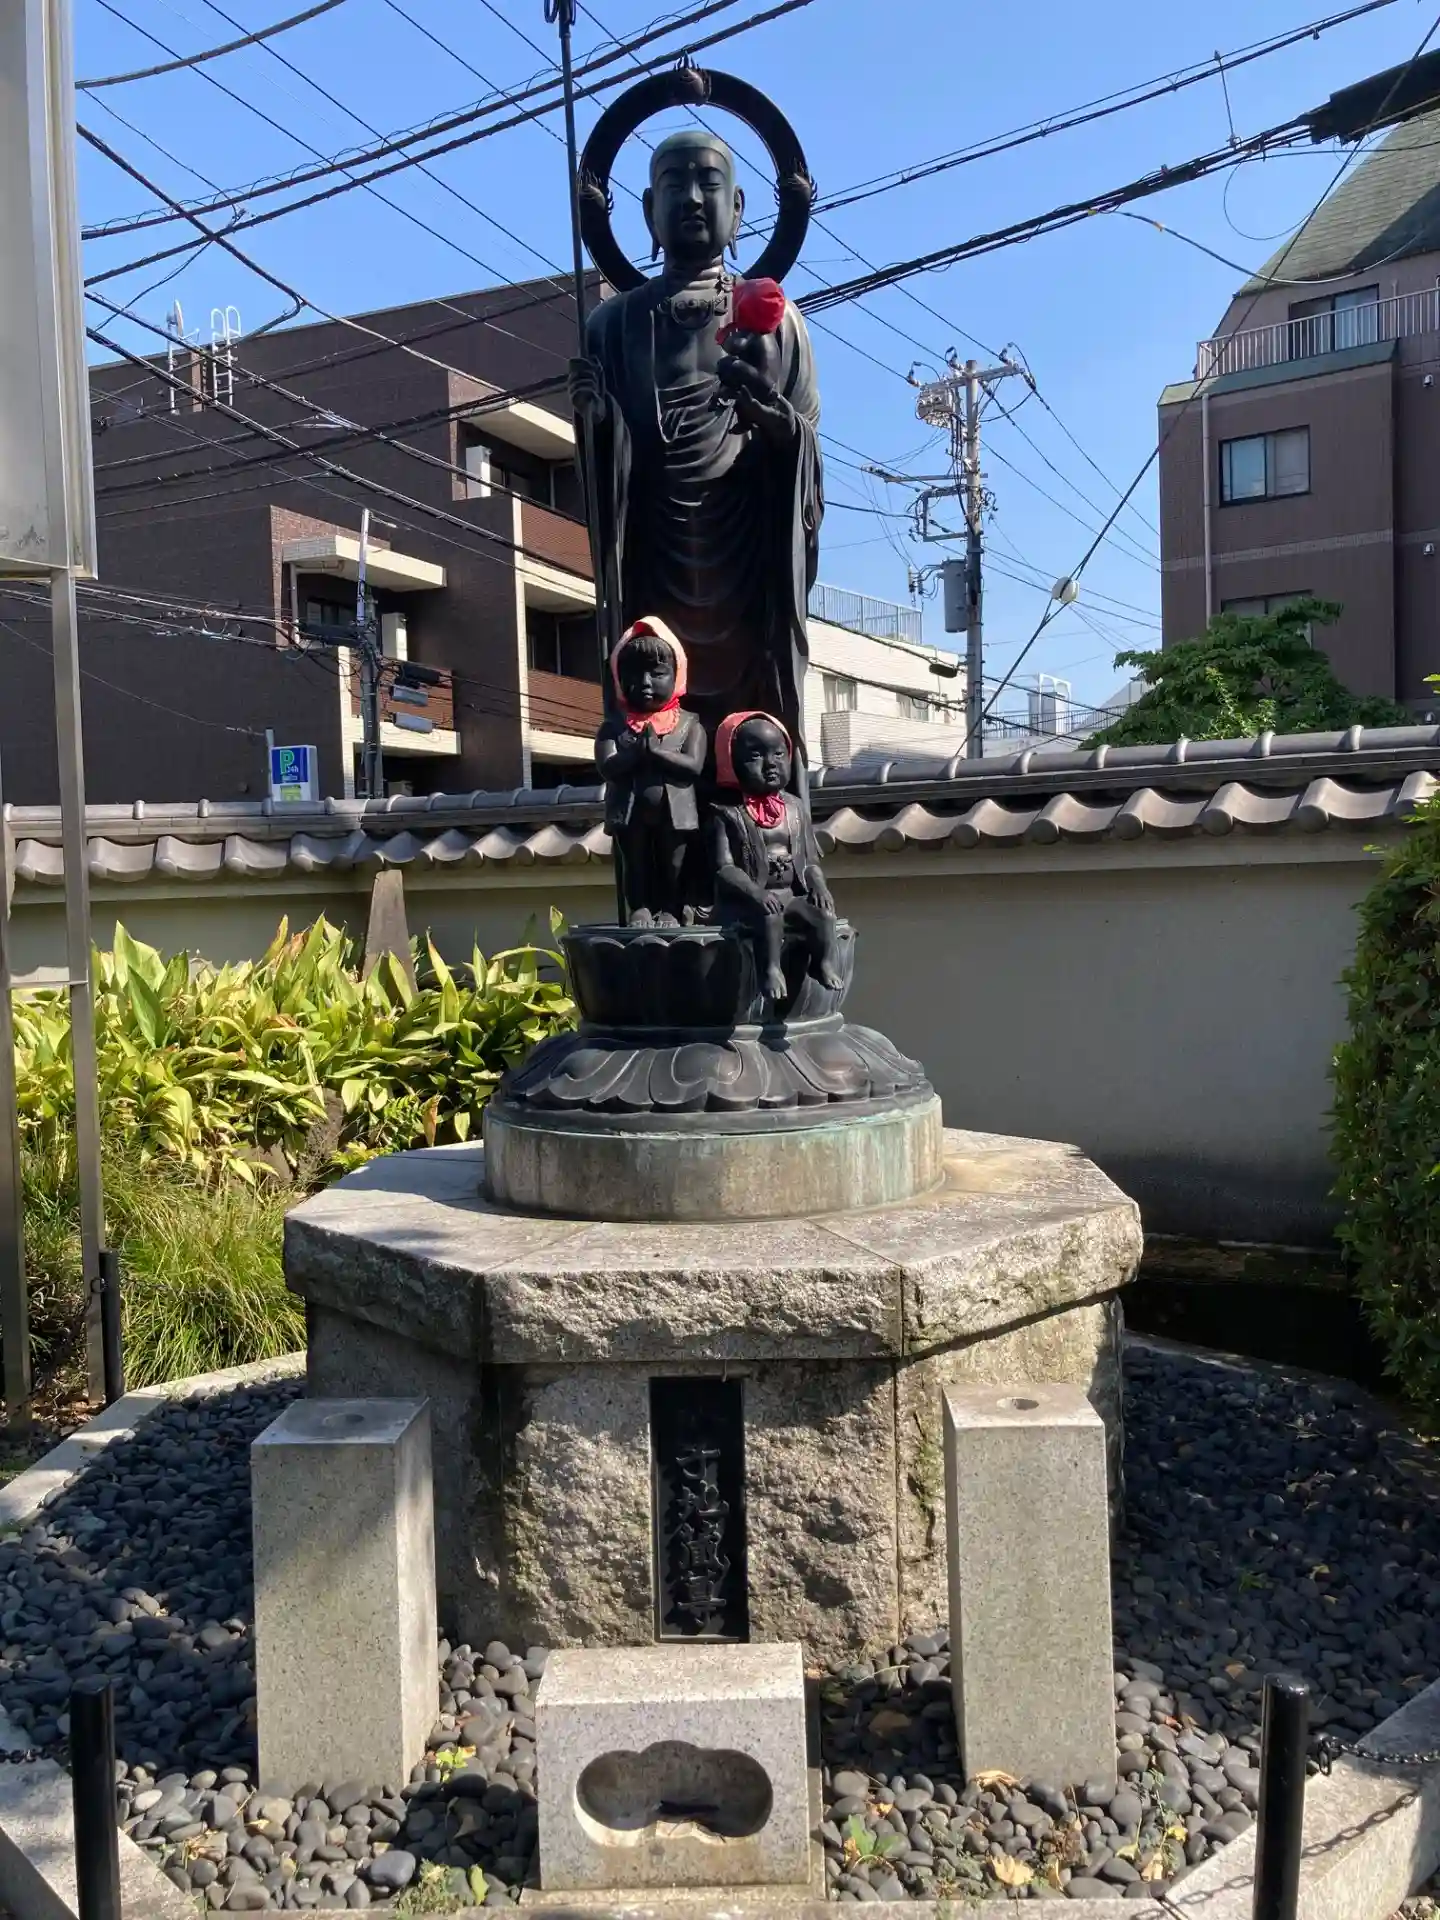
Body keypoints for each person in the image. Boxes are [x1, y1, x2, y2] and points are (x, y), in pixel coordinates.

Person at [569, 130, 822, 770]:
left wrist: (777, 425)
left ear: (737, 207)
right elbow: (601, 478)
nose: (690, 198)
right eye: (673, 184)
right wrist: (596, 423)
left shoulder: (778, 322)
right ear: (648, 210)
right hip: (654, 556)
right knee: (653, 695)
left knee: (753, 719)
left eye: (708, 183)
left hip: (746, 561)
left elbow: (806, 445)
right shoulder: (612, 325)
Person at [709, 710, 842, 1003]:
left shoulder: (795, 808)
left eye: (779, 754)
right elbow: (725, 868)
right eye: (756, 756)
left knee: (824, 915)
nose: (770, 764)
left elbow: (809, 861)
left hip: (789, 895)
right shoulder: (728, 813)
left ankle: (823, 963)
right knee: (769, 916)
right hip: (751, 901)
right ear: (732, 763)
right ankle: (770, 969)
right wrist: (755, 893)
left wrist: (819, 886)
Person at [595, 617, 705, 926]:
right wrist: (635, 753)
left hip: (676, 811)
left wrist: (656, 753)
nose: (645, 682)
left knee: (675, 862)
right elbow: (607, 766)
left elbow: (693, 766)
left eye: (657, 674)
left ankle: (672, 907)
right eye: (635, 674)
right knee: (636, 861)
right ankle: (640, 907)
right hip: (629, 811)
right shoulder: (613, 727)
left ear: (676, 675)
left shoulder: (689, 724)